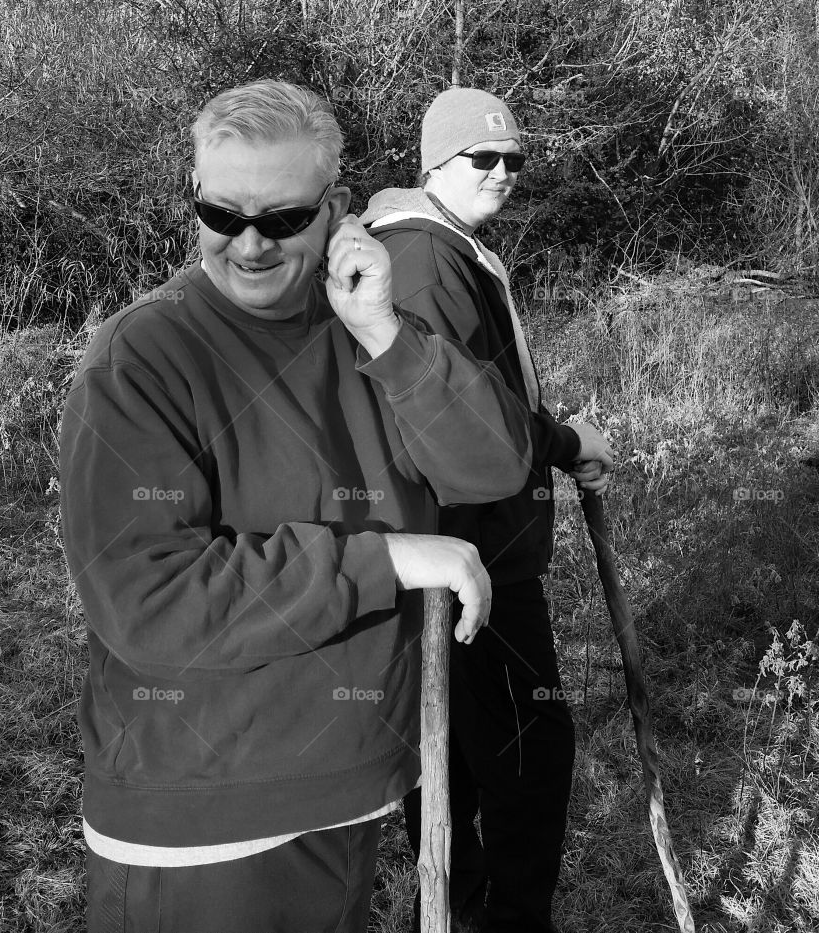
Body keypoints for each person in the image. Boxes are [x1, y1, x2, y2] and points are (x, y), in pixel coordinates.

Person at [59, 80, 607, 933]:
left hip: (349, 795)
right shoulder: (143, 356)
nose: (247, 245)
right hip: (207, 833)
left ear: (337, 210)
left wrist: (388, 332)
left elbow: (494, 464)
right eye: (219, 213)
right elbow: (147, 597)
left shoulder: (362, 319)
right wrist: (384, 557)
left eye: (281, 219)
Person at [361, 87, 615, 933]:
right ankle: (501, 918)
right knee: (530, 751)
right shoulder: (429, 261)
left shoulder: (445, 247)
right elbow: (470, 427)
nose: (504, 172)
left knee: (459, 753)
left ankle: (466, 905)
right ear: (436, 161)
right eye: (484, 158)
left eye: (514, 159)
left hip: (460, 547)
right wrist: (568, 443)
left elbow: (485, 399)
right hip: (471, 553)